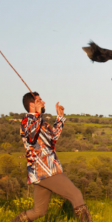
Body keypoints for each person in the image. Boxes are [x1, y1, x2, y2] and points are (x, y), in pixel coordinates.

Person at [11, 92, 92, 222]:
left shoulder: (42, 122)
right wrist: (37, 114)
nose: (43, 102)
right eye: (40, 100)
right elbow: (31, 137)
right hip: (44, 170)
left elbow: (52, 141)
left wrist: (60, 118)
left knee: (39, 211)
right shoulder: (27, 121)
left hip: (43, 171)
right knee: (76, 195)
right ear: (32, 104)